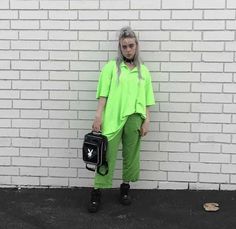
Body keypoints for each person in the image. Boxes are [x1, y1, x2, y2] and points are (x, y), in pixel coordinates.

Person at [88, 26, 155, 213]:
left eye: (131, 45)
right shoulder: (111, 67)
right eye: (124, 46)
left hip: (134, 118)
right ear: (120, 47)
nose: (128, 49)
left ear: (136, 46)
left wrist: (147, 120)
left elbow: (148, 100)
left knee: (131, 154)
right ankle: (97, 191)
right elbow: (103, 95)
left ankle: (125, 188)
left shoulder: (144, 72)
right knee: (105, 155)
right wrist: (98, 116)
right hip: (113, 119)